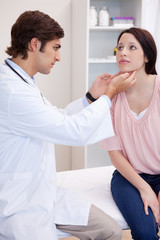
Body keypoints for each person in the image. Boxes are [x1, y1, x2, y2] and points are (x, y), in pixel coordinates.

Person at [0, 10, 136, 240]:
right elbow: (73, 132)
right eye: (55, 47)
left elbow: (58, 118)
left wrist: (91, 98)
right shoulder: (11, 91)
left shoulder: (23, 82)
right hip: (21, 203)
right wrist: (109, 95)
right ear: (35, 44)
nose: (59, 57)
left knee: (110, 230)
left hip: (45, 191)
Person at [101, 27, 160, 240]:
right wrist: (144, 188)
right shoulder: (110, 97)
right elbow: (115, 153)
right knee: (145, 232)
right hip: (129, 177)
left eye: (132, 47)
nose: (123, 52)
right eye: (120, 48)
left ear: (147, 56)